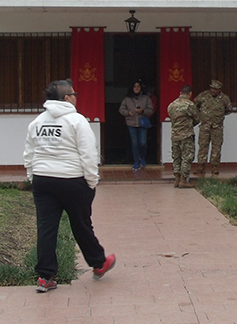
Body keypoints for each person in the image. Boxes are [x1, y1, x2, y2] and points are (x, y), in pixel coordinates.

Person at [24, 79, 116, 293]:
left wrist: (32, 176)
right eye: (74, 93)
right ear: (66, 98)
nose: (76, 96)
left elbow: (29, 153)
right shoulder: (77, 120)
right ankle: (98, 263)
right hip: (72, 181)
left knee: (46, 228)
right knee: (81, 224)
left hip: (43, 180)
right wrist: (91, 182)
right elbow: (89, 154)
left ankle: (45, 277)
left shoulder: (37, 122)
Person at [194, 80, 233, 177]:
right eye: (212, 88)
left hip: (217, 127)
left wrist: (219, 116)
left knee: (216, 147)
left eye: (215, 89)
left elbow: (229, 109)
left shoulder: (224, 98)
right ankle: (201, 166)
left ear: (219, 90)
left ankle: (215, 167)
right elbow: (194, 105)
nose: (213, 90)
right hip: (205, 126)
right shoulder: (203, 96)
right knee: (203, 146)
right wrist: (201, 115)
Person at [167, 84, 199, 188]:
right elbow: (197, 118)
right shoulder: (190, 105)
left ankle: (176, 179)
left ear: (180, 93)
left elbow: (172, 117)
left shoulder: (172, 105)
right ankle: (184, 180)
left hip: (175, 135)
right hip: (186, 135)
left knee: (176, 157)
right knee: (187, 157)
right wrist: (189, 124)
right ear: (190, 94)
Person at [118, 80, 155, 170]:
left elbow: (151, 110)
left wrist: (142, 111)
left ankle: (142, 157)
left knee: (143, 143)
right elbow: (121, 109)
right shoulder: (127, 99)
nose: (136, 88)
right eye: (135, 87)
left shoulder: (146, 98)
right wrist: (128, 113)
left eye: (138, 86)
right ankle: (136, 162)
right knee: (134, 144)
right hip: (131, 123)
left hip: (142, 123)